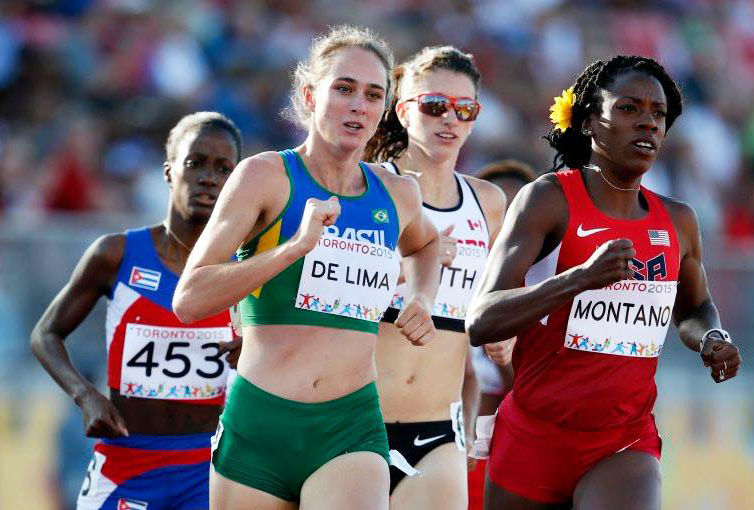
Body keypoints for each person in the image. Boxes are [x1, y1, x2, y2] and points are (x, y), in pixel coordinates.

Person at [172, 26, 440, 510]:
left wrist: (422, 296)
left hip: (350, 427)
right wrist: (293, 248)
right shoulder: (265, 176)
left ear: (384, 109)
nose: (358, 105)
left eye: (373, 95)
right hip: (259, 426)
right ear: (310, 96)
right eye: (344, 88)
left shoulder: (398, 193)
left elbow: (426, 245)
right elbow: (189, 300)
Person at [466, 55, 743, 510]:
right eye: (629, 108)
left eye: (658, 114)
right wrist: (579, 279)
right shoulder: (548, 199)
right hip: (533, 437)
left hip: (623, 440)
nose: (648, 123)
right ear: (590, 121)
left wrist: (712, 336)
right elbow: (482, 320)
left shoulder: (678, 220)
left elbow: (694, 309)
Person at [30, 111, 244, 510]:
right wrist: (85, 395)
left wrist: (252, 352)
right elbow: (46, 333)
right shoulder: (116, 254)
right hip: (125, 461)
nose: (208, 178)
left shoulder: (246, 269)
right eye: (195, 163)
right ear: (169, 171)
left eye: (223, 169)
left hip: (209, 467)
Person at [364, 46, 506, 510]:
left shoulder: (488, 203)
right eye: (434, 105)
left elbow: (485, 322)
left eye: (465, 109)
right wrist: (413, 262)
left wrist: (505, 337)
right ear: (404, 111)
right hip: (355, 424)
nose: (450, 119)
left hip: (437, 433)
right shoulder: (368, 185)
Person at [465, 159, 537, 510]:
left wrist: (504, 359)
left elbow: (532, 393)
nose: (504, 228)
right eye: (494, 214)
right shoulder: (437, 269)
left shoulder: (542, 286)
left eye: (515, 216)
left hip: (506, 449)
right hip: (438, 436)